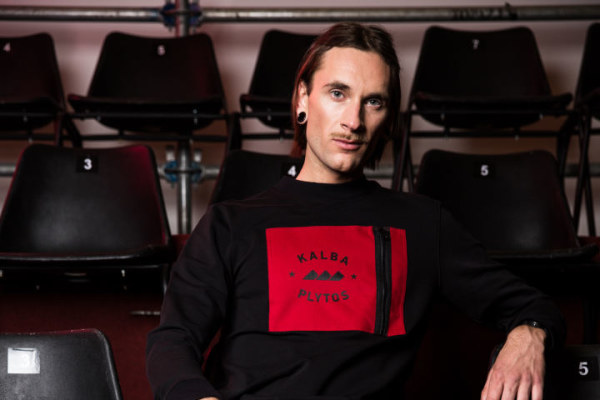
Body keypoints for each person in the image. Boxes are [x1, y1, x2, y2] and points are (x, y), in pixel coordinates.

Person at [146, 22, 564, 400]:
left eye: (373, 102)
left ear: (387, 118)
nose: (354, 120)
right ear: (303, 99)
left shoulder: (421, 224)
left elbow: (535, 307)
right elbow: (172, 342)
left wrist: (528, 337)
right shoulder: (230, 224)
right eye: (338, 93)